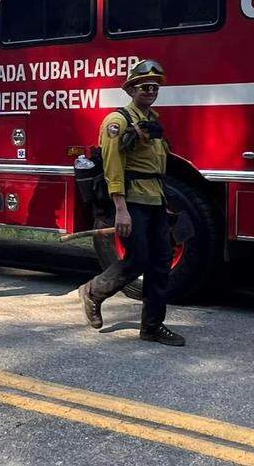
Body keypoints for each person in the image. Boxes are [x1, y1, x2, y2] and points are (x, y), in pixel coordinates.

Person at [77, 60, 184, 346]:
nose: (151, 90)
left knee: (161, 262)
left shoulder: (153, 121)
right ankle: (93, 291)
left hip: (155, 198)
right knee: (138, 259)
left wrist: (166, 201)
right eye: (144, 86)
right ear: (131, 89)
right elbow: (113, 165)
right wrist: (120, 208)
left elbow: (158, 165)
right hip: (132, 199)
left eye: (155, 86)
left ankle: (152, 326)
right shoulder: (118, 122)